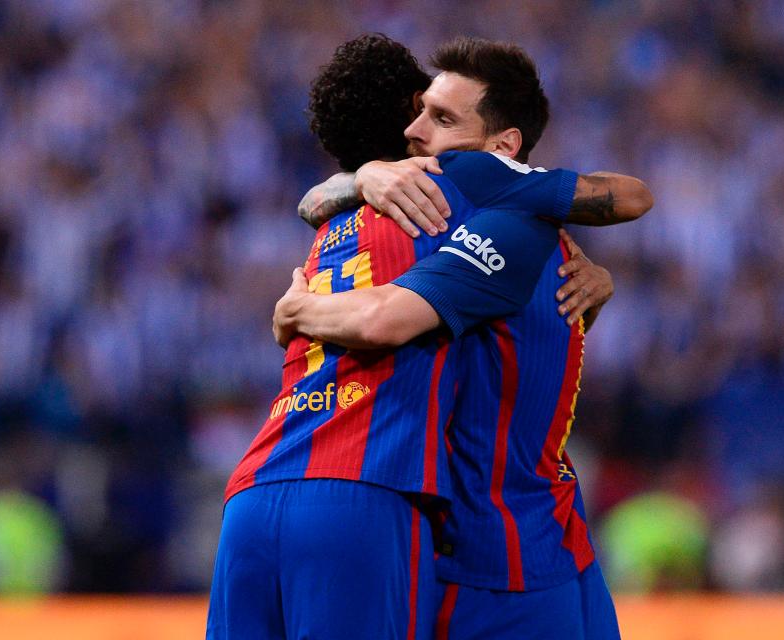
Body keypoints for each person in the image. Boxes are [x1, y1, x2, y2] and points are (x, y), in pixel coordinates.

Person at [207, 34, 646, 640]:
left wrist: (294, 311)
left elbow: (378, 303)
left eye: (440, 117)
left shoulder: (359, 222)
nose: (419, 130)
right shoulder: (495, 227)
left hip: (479, 560)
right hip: (507, 547)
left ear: (502, 149)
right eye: (418, 113)